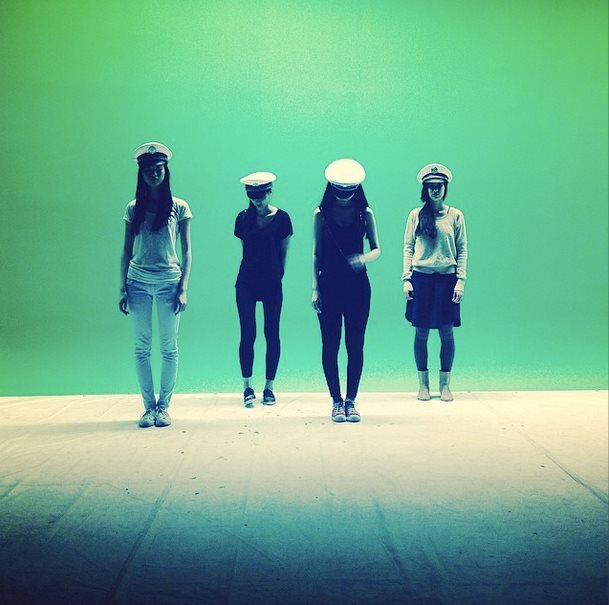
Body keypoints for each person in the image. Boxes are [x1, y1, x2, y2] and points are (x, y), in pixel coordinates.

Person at [119, 142, 193, 428]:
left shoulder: (179, 206)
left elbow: (187, 251)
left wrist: (183, 288)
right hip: (137, 282)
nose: (154, 174)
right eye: (148, 170)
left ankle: (164, 407)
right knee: (141, 347)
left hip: (168, 283)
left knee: (168, 347)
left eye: (158, 169)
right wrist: (122, 287)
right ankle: (148, 408)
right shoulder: (133, 208)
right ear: (141, 173)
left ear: (166, 171)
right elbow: (126, 250)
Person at [312, 159, 381, 422]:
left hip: (358, 287)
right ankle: (336, 401)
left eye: (348, 192)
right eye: (339, 192)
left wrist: (363, 258)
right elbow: (316, 253)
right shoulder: (321, 214)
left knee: (355, 344)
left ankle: (351, 400)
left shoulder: (365, 213)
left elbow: (377, 248)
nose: (343, 197)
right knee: (330, 345)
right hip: (329, 285)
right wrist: (315, 289)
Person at [402, 163, 468, 402]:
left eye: (439, 185)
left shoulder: (455, 215)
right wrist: (406, 279)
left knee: (446, 331)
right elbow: (408, 247)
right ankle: (423, 384)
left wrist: (460, 281)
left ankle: (445, 384)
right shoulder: (416, 215)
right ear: (425, 189)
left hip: (447, 279)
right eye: (430, 186)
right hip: (422, 278)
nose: (435, 190)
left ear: (445, 187)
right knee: (421, 331)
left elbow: (462, 249)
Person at [234, 172, 292, 407]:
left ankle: (269, 387)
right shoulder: (242, 218)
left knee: (272, 333)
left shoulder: (283, 218)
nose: (257, 199)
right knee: (248, 333)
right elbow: (245, 250)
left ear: (270, 192)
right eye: (252, 195)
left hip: (272, 282)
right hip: (246, 282)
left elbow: (284, 252)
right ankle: (247, 387)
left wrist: (277, 276)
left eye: (261, 194)